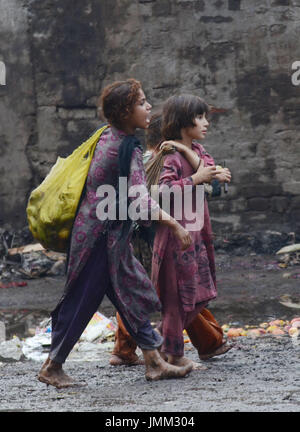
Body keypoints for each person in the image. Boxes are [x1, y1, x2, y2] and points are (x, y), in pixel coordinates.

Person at [37, 79, 194, 389]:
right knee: (81, 301)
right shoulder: (127, 146)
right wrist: (174, 224)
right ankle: (52, 366)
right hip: (100, 240)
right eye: (141, 103)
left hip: (103, 235)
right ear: (125, 112)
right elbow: (139, 197)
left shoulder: (106, 136)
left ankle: (154, 361)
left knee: (131, 294)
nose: (149, 107)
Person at [110, 109, 232, 367]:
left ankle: (125, 350)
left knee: (153, 293)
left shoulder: (157, 159)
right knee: (174, 295)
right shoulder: (161, 162)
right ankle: (199, 345)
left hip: (143, 237)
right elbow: (207, 188)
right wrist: (203, 178)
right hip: (157, 238)